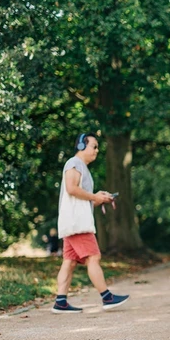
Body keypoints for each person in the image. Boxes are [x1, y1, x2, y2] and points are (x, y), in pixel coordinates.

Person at [52, 133, 129, 314]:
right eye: (93, 146)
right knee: (93, 257)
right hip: (78, 223)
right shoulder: (74, 163)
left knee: (69, 261)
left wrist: (99, 198)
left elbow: (81, 198)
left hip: (71, 221)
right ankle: (107, 297)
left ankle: (60, 301)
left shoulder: (82, 167)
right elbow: (72, 189)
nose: (97, 150)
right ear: (81, 146)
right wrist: (94, 196)